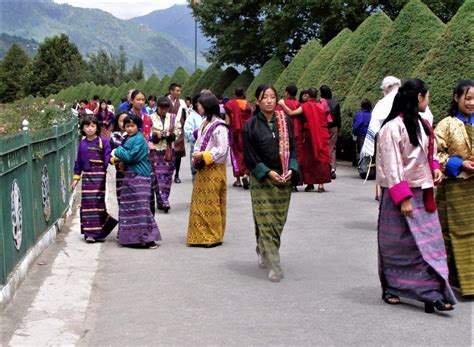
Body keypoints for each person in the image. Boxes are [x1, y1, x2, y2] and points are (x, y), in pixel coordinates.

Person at [376, 78, 455, 313]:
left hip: (424, 193)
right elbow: (392, 165)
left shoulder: (423, 125)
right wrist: (404, 198)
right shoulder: (392, 128)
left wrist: (436, 169)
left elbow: (429, 154)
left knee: (430, 245)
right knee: (396, 246)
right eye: (427, 96)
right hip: (400, 195)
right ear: (419, 98)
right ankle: (392, 286)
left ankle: (432, 292)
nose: (428, 101)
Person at [244, 84, 299, 282]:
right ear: (257, 101)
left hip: (284, 179)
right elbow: (249, 156)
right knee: (266, 220)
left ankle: (262, 247)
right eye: (264, 97)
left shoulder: (285, 121)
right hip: (262, 181)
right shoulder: (250, 125)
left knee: (277, 222)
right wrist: (267, 173)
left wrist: (292, 168)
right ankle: (275, 264)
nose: (269, 100)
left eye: (272, 96)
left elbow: (293, 148)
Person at [434, 79, 474, 296]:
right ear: (456, 98)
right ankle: (453, 279)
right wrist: (459, 164)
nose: (472, 103)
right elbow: (435, 154)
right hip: (454, 189)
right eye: (468, 98)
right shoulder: (446, 124)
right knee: (451, 234)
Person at [111, 115, 161, 249]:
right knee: (130, 208)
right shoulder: (129, 138)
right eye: (127, 126)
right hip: (130, 177)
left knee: (141, 208)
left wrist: (117, 150)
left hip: (140, 177)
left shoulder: (139, 139)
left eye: (132, 126)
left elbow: (130, 156)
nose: (129, 128)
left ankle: (148, 239)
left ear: (138, 126)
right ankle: (131, 239)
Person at [187, 93, 230, 248]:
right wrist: (195, 157)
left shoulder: (219, 126)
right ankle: (199, 235)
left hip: (214, 169)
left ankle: (212, 236)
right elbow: (199, 143)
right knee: (200, 202)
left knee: (211, 204)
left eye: (200, 104)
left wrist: (204, 155)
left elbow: (222, 149)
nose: (198, 107)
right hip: (203, 169)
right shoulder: (205, 123)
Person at [71, 115, 118, 243]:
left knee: (98, 204)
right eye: (87, 126)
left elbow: (108, 157)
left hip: (100, 176)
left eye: (92, 126)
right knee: (88, 204)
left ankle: (99, 232)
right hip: (87, 177)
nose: (90, 129)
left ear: (97, 127)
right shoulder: (82, 144)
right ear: (83, 128)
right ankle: (90, 234)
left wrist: (114, 160)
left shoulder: (104, 141)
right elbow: (79, 162)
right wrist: (76, 178)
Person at [279, 87, 330, 192]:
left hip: (310, 135)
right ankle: (321, 185)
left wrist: (283, 104)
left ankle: (310, 183)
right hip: (322, 134)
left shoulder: (305, 106)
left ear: (307, 96)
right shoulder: (322, 106)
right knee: (321, 158)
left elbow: (292, 113)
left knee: (308, 160)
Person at [150, 96, 182, 213]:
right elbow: (148, 132)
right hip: (156, 150)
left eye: (166, 108)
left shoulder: (173, 118)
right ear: (157, 107)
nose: (164, 110)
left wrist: (172, 135)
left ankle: (163, 199)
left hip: (169, 150)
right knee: (158, 177)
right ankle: (163, 201)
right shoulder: (151, 118)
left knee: (167, 177)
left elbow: (178, 130)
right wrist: (156, 135)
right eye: (161, 108)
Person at [224, 87, 254, 189]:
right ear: (244, 93)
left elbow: (227, 122)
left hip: (234, 131)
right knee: (247, 153)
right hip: (247, 132)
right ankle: (247, 175)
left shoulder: (230, 104)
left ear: (234, 93)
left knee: (235, 154)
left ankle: (237, 180)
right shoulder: (248, 105)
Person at [276, 84, 302, 192]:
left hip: (285, 134)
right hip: (298, 133)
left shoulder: (282, 103)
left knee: (285, 157)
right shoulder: (299, 104)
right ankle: (295, 182)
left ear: (286, 92)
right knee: (296, 157)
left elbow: (277, 117)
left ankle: (285, 180)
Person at [320, 85, 340, 179]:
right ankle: (332, 168)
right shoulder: (335, 103)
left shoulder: (320, 102)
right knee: (332, 148)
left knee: (323, 147)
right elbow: (338, 118)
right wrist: (338, 128)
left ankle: (324, 167)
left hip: (322, 127)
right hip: (333, 127)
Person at [183, 94, 206, 182]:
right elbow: (188, 133)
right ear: (196, 104)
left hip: (208, 150)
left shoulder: (208, 116)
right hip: (196, 148)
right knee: (196, 172)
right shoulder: (191, 117)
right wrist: (200, 136)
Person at [168, 83, 187, 183]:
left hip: (178, 130)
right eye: (177, 90)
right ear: (171, 91)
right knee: (167, 153)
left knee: (178, 153)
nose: (179, 93)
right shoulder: (165, 101)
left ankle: (177, 175)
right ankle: (168, 173)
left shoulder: (182, 102)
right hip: (167, 130)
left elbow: (185, 115)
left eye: (179, 91)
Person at [109, 111, 129, 204]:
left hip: (133, 171)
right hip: (120, 171)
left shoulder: (134, 136)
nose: (124, 123)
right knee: (121, 196)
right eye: (121, 121)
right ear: (117, 122)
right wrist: (114, 160)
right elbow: (110, 153)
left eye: (126, 120)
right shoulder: (113, 137)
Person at [352, 98, 372, 163]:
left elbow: (356, 126)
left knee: (362, 150)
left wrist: (354, 133)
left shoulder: (359, 115)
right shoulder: (372, 114)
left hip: (362, 135)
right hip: (371, 135)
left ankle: (363, 167)